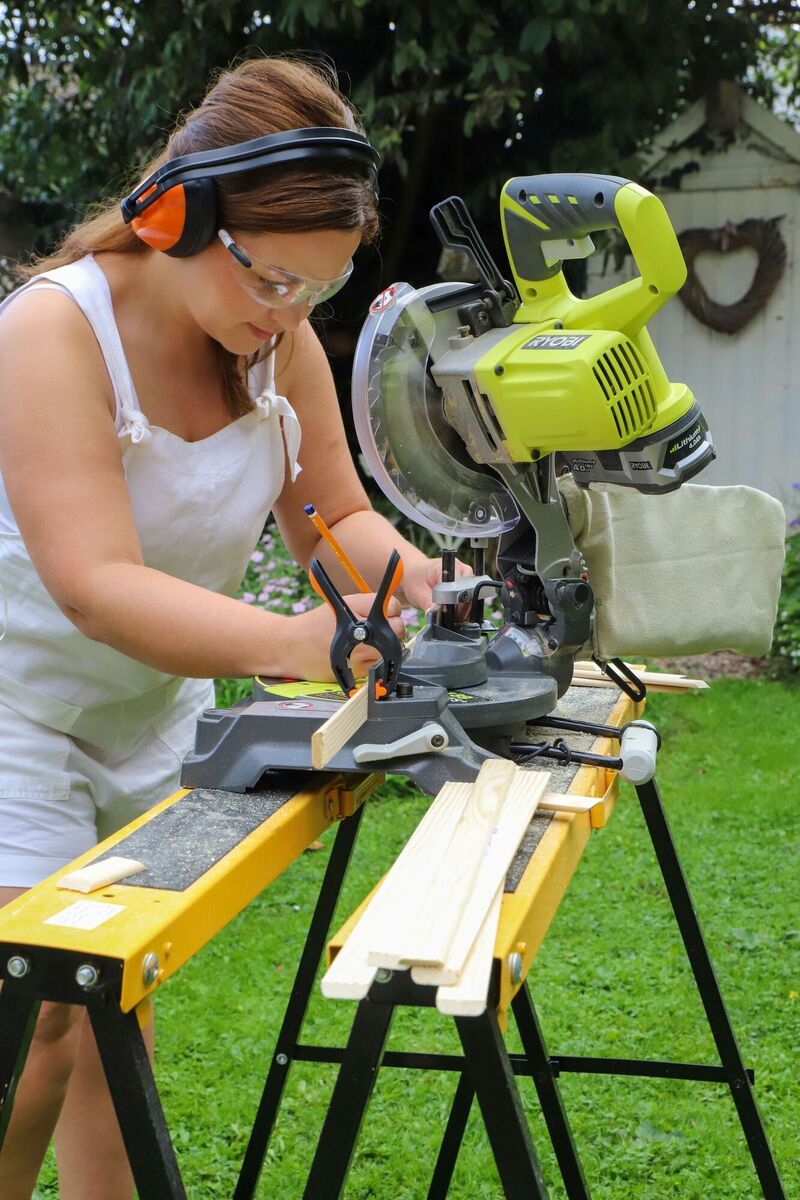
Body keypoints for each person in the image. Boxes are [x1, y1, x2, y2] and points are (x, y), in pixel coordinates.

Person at [0, 55, 464, 1200]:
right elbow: (94, 583)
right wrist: (289, 643)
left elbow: (332, 521)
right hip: (15, 712)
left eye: (317, 289)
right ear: (178, 213)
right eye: (269, 278)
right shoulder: (50, 332)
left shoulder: (277, 341)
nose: (286, 313)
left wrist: (422, 577)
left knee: (115, 1015)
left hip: (151, 714)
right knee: (32, 1040)